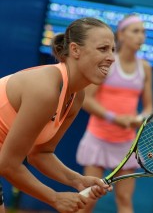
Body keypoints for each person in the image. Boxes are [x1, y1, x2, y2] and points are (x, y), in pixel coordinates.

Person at [0, 17, 114, 212]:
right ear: (75, 50)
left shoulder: (76, 96)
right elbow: (8, 164)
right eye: (103, 49)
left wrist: (78, 181)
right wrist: (55, 198)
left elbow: (40, 153)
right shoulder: (45, 90)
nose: (112, 57)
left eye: (113, 50)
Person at [76, 14, 153, 213]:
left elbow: (148, 108)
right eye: (135, 31)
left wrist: (138, 119)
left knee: (125, 199)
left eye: (143, 32)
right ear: (121, 34)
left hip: (126, 144)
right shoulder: (109, 62)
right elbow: (87, 99)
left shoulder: (145, 68)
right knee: (89, 200)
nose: (141, 37)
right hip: (98, 139)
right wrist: (114, 118)